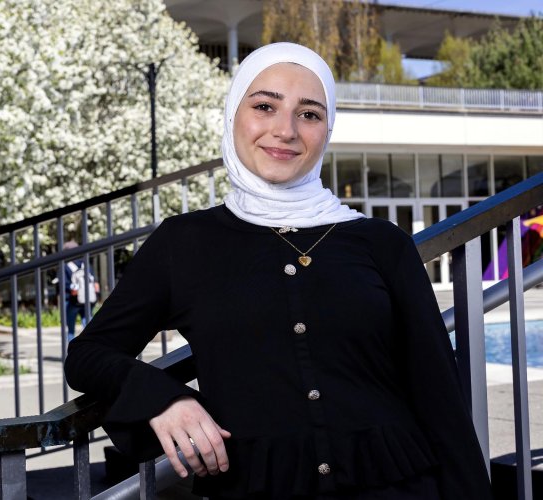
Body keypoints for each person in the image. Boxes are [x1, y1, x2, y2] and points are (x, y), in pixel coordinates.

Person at [64, 43, 493, 499]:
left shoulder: (382, 242)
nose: (285, 130)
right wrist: (165, 398)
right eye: (265, 106)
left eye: (308, 114)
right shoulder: (183, 243)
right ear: (233, 115)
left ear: (327, 129)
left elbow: (439, 398)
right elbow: (88, 354)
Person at [62, 240, 99, 342]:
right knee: (88, 327)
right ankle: (92, 349)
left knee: (70, 330)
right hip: (88, 299)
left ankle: (71, 354)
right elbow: (94, 281)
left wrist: (73, 289)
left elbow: (64, 284)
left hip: (72, 301)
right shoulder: (85, 263)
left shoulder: (65, 265)